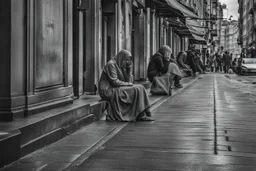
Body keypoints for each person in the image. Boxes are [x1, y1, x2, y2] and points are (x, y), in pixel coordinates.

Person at [98, 49, 153, 122]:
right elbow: (115, 81)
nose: (127, 62)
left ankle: (143, 112)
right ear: (121, 57)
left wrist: (128, 69)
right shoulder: (111, 64)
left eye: (128, 60)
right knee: (136, 89)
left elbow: (127, 81)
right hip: (107, 90)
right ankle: (142, 114)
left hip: (116, 87)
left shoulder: (121, 66)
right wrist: (128, 84)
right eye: (126, 60)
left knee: (141, 87)